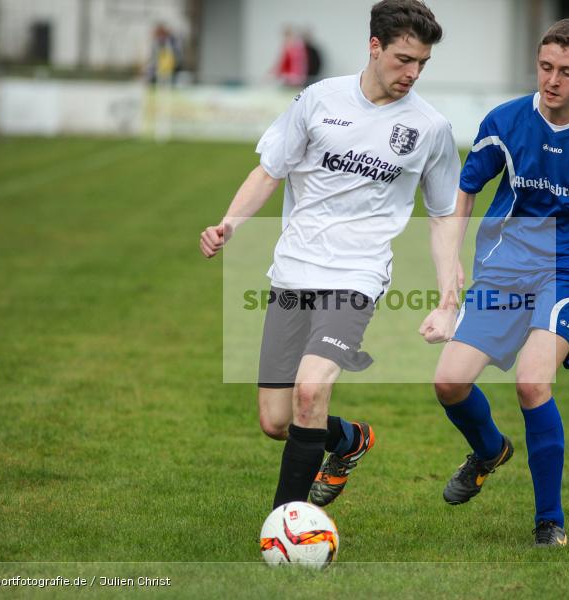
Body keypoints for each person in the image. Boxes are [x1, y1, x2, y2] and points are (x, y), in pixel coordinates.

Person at [200, 0, 460, 511]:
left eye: (422, 63)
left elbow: (445, 216)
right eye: (404, 59)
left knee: (310, 389)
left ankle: (286, 524)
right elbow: (269, 170)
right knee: (277, 420)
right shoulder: (319, 100)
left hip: (357, 276)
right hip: (293, 270)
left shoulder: (430, 128)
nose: (413, 73)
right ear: (375, 47)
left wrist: (449, 299)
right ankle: (347, 440)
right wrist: (230, 223)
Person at [430, 18, 569, 547]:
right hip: (506, 266)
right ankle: (489, 450)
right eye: (546, 67)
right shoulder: (505, 121)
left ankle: (548, 521)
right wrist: (453, 259)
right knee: (448, 382)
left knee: (532, 382)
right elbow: (467, 187)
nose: (553, 80)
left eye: (567, 72)